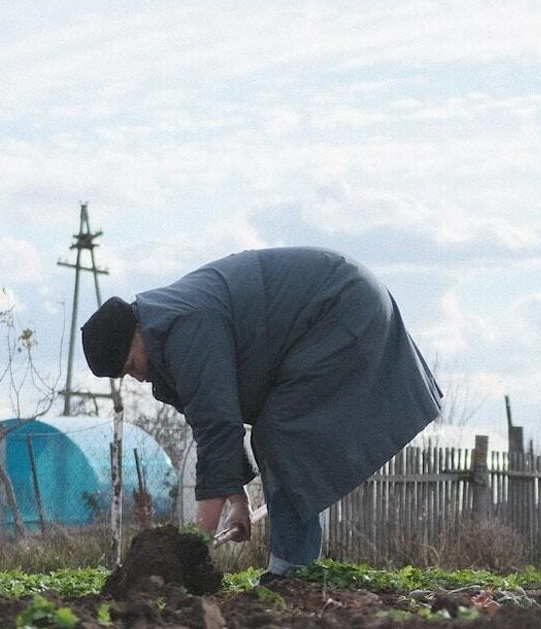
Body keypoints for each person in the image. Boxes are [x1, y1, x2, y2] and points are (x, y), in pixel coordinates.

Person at [80, 247, 442, 577]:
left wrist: (191, 547)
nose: (138, 377)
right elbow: (213, 423)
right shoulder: (165, 338)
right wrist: (238, 501)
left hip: (341, 305)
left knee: (281, 435)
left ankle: (292, 570)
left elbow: (220, 428)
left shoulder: (184, 328)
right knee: (279, 435)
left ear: (137, 335)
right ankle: (295, 567)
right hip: (337, 303)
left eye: (130, 365)